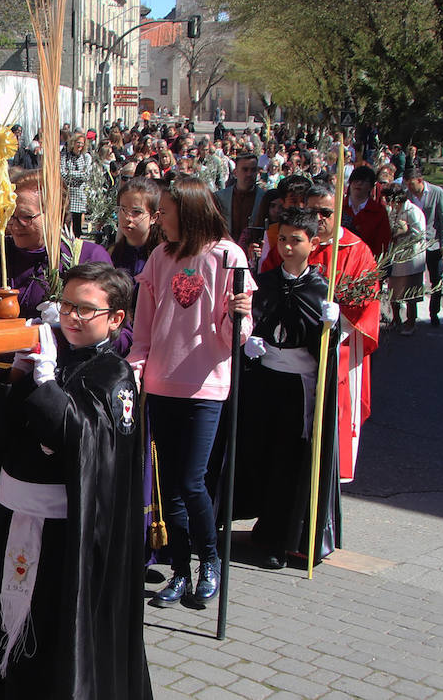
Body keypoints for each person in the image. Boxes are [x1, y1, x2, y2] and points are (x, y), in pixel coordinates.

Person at [0, 262, 150, 698]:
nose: (71, 316)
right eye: (66, 304)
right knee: (7, 613)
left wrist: (46, 383)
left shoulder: (116, 376)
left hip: (67, 534)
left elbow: (77, 441)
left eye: (85, 309)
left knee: (50, 625)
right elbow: (3, 428)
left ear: (116, 318)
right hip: (17, 513)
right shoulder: (52, 354)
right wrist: (17, 374)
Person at [129, 176, 252, 609]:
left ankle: (211, 561)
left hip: (204, 384)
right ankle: (180, 571)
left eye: (164, 210)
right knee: (172, 488)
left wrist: (238, 315)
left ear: (190, 210)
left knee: (191, 479)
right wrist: (137, 367)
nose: (159, 218)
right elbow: (144, 327)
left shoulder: (227, 256)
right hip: (161, 383)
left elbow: (230, 336)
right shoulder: (161, 257)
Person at [236, 208, 341, 569]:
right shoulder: (263, 282)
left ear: (314, 244)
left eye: (296, 240)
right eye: (282, 239)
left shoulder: (321, 289)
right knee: (259, 450)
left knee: (288, 457)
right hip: (265, 377)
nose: (287, 247)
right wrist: (248, 343)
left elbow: (325, 348)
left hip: (299, 385)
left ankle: (280, 536)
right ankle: (257, 521)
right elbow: (252, 320)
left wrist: (333, 325)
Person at [261, 180, 380, 485]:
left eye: (326, 212)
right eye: (312, 211)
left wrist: (338, 322)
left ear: (338, 211)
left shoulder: (357, 250)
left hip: (338, 348)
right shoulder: (292, 241)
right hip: (290, 359)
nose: (320, 218)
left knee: (331, 415)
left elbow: (367, 302)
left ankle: (331, 473)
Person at [404, 167, 443, 327]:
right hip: (414, 245)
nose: (410, 188)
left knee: (436, 279)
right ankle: (412, 315)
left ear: (420, 181)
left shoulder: (437, 192)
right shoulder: (408, 195)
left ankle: (434, 311)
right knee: (413, 280)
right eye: (407, 184)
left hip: (433, 244)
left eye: (412, 184)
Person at [381, 183, 426, 335]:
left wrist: (402, 233)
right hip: (397, 256)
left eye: (389, 199)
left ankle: (411, 321)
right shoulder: (395, 211)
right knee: (394, 290)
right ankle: (396, 319)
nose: (388, 202)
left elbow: (419, 233)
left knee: (410, 293)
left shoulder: (412, 211)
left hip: (411, 257)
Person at [216, 153, 265, 244]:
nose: (249, 174)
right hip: (227, 248)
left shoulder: (263, 198)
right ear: (235, 172)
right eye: (245, 170)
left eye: (253, 170)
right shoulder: (220, 197)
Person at [60, 133, 91, 236]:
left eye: (82, 144)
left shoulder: (86, 157)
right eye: (78, 143)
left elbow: (86, 175)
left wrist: (71, 173)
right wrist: (79, 175)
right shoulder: (65, 156)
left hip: (79, 193)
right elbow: (63, 174)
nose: (80, 146)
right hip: (68, 191)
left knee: (78, 222)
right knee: (67, 220)